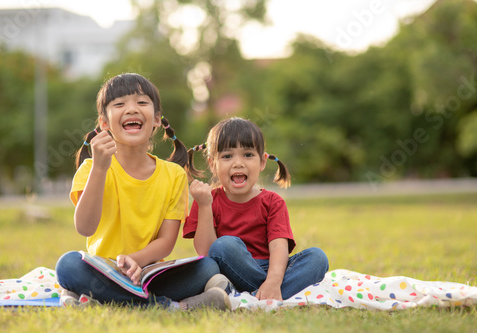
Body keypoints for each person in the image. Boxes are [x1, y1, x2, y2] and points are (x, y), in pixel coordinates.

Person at [55, 73, 230, 310]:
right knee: (68, 265)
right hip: (104, 269)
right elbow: (85, 227)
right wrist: (99, 168)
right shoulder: (91, 168)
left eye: (141, 102)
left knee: (207, 267)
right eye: (119, 104)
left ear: (157, 119)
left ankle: (95, 298)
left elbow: (167, 241)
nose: (131, 109)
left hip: (149, 273)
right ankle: (172, 307)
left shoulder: (174, 175)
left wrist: (135, 261)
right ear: (104, 123)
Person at [183, 117, 329, 301]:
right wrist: (205, 205)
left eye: (248, 155)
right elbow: (206, 252)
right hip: (230, 270)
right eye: (227, 156)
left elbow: (278, 246)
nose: (238, 163)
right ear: (213, 164)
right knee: (223, 245)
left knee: (317, 258)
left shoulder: (273, 202)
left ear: (262, 162)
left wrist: (273, 280)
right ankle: (266, 295)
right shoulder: (206, 200)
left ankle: (253, 295)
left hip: (273, 269)